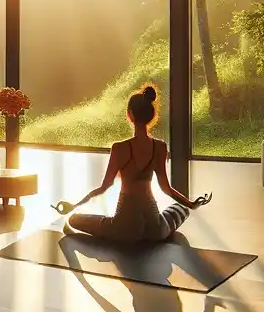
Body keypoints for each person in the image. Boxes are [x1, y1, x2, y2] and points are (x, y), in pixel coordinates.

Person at [55, 84, 210, 242]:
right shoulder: (160, 147)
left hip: (124, 227)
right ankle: (184, 209)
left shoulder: (119, 148)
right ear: (152, 115)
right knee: (180, 211)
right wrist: (190, 204)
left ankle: (74, 215)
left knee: (75, 220)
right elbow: (166, 188)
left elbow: (104, 187)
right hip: (154, 228)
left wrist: (74, 205)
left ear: (129, 115)